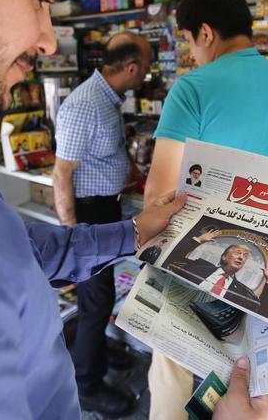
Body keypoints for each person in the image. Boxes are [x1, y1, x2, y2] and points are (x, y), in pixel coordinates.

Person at [0, 0, 267, 419]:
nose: (49, 40)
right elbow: (62, 176)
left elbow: (20, 251)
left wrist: (134, 232)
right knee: (94, 310)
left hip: (107, 217)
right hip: (91, 207)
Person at [143, 0, 268, 420]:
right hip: (266, 260)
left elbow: (159, 192)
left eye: (189, 41)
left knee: (172, 376)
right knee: (246, 378)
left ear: (205, 32)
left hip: (197, 258)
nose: (194, 54)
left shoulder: (194, 87)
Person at [52, 32, 151, 415]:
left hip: (105, 209)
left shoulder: (109, 100)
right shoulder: (84, 106)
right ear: (130, 68)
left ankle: (99, 354)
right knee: (94, 302)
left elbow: (108, 152)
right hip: (88, 216)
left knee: (102, 295)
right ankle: (86, 384)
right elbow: (62, 174)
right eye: (144, 68)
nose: (146, 75)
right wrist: (73, 237)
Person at [164, 230, 268, 313]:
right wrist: (198, 240)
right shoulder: (199, 265)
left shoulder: (243, 292)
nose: (242, 258)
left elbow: (261, 310)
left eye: (245, 256)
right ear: (224, 257)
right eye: (238, 253)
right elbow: (172, 259)